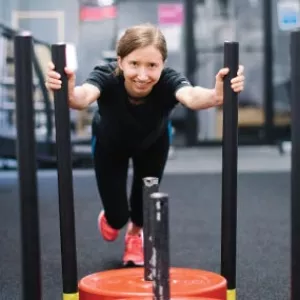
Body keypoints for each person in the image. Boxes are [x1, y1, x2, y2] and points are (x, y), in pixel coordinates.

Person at [45, 23, 245, 266]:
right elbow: (81, 97)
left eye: (152, 65)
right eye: (134, 64)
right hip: (110, 146)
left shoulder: (169, 80)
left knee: (142, 209)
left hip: (153, 144)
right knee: (117, 217)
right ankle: (115, 219)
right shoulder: (107, 76)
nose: (143, 75)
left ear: (162, 64)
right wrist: (66, 89)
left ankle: (134, 236)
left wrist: (217, 94)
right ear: (120, 62)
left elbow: (191, 97)